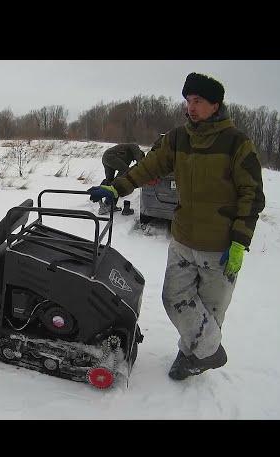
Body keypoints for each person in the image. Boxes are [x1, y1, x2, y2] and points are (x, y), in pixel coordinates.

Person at [88, 72, 265, 381]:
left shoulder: (237, 143)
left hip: (220, 246)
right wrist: (117, 188)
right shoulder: (178, 138)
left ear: (215, 105)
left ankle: (191, 357)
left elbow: (252, 195)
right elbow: (148, 166)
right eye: (187, 101)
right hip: (183, 239)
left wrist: (239, 240)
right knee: (174, 298)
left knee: (210, 312)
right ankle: (210, 353)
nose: (190, 107)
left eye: (198, 101)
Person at [97, 143, 145, 214]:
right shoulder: (135, 147)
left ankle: (106, 201)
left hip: (106, 157)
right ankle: (107, 203)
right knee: (119, 181)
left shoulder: (128, 156)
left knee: (110, 181)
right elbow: (140, 162)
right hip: (110, 157)